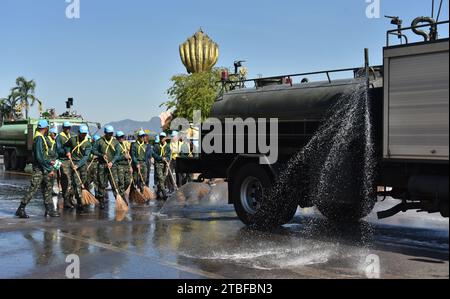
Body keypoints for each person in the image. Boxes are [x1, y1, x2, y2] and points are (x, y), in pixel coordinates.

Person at [16, 120, 60, 218]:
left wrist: (49, 163)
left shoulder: (40, 137)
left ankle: (48, 210)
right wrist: (49, 167)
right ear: (45, 128)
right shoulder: (39, 139)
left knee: (47, 188)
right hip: (39, 169)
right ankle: (21, 209)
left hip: (43, 168)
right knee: (33, 189)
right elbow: (40, 157)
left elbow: (43, 155)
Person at [64, 125, 92, 214]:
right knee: (77, 183)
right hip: (73, 163)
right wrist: (68, 151)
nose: (83, 135)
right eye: (82, 134)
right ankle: (80, 203)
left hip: (82, 164)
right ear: (79, 133)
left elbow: (86, 156)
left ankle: (69, 196)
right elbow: (66, 146)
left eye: (85, 134)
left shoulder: (88, 143)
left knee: (83, 181)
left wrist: (78, 165)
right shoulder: (72, 139)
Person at [92, 125, 119, 209]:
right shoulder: (99, 141)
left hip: (112, 166)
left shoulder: (115, 142)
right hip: (102, 166)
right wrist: (101, 155)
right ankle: (101, 201)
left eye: (111, 133)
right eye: (109, 133)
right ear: (105, 133)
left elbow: (117, 154)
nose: (110, 135)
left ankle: (118, 200)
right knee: (102, 184)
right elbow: (93, 150)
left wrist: (112, 162)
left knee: (115, 184)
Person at [56, 121, 75, 209]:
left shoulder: (71, 136)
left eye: (69, 127)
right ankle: (66, 199)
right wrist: (66, 152)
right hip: (63, 160)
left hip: (71, 160)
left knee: (73, 180)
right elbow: (59, 149)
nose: (68, 129)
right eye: (66, 128)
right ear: (63, 128)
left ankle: (71, 198)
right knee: (66, 180)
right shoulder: (59, 137)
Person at [112, 131, 132, 199]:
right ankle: (122, 196)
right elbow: (115, 157)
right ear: (117, 138)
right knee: (121, 182)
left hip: (126, 165)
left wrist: (130, 164)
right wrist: (124, 157)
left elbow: (127, 154)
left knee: (128, 181)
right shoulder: (116, 145)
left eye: (122, 137)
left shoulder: (124, 144)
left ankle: (122, 193)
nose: (121, 138)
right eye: (120, 137)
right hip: (119, 165)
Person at [152, 132, 171, 201]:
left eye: (163, 137)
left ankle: (158, 192)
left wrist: (167, 159)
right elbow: (153, 154)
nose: (161, 138)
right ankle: (164, 193)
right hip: (158, 164)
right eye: (160, 137)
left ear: (165, 138)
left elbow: (169, 155)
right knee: (160, 178)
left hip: (165, 164)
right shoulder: (156, 146)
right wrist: (161, 158)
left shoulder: (167, 146)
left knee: (163, 178)